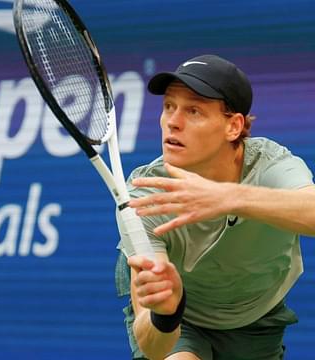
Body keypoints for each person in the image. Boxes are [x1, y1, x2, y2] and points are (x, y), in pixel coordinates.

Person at [115, 54, 315, 359]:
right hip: (185, 317)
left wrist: (228, 197)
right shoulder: (145, 195)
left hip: (255, 313)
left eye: (193, 110)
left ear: (233, 126)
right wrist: (166, 314)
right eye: (169, 106)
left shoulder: (270, 164)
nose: (173, 122)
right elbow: (153, 348)